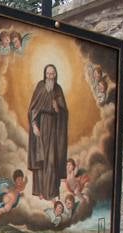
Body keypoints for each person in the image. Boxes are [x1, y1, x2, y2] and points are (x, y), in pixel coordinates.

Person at [27, 64, 69, 201]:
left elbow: (64, 112)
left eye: (52, 74)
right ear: (44, 74)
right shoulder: (40, 86)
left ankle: (51, 192)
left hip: (54, 130)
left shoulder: (58, 89)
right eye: (48, 74)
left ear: (55, 75)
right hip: (41, 126)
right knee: (40, 159)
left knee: (51, 160)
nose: (50, 76)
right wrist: (34, 125)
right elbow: (32, 108)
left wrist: (58, 108)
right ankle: (40, 191)